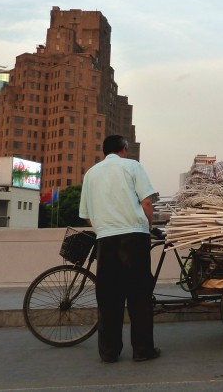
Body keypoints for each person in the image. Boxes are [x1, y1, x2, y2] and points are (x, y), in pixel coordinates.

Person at [79, 135, 161, 362]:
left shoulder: (91, 174)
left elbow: (86, 215)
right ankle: (143, 351)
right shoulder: (132, 166)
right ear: (124, 149)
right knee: (139, 297)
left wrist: (105, 227)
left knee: (108, 299)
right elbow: (146, 201)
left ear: (105, 152)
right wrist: (148, 224)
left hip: (105, 241)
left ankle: (109, 352)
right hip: (134, 237)